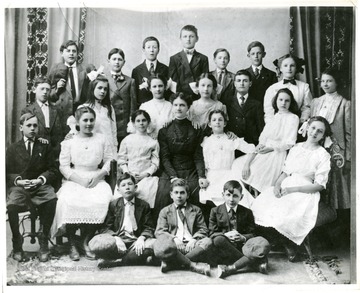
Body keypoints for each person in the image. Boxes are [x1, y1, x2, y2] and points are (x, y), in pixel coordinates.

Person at [250, 116, 332, 260]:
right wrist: (277, 185)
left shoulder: (322, 154)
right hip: (286, 184)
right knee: (262, 205)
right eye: (313, 128)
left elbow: (319, 185)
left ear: (323, 135)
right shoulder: (296, 148)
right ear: (307, 127)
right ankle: (279, 241)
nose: (314, 133)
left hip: (305, 190)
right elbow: (285, 172)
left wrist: (293, 190)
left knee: (287, 212)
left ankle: (289, 244)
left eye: (319, 131)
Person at [51, 107, 113, 261]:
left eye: (91, 119)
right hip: (75, 179)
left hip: (96, 178)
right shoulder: (69, 142)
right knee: (68, 200)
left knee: (102, 200)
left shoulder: (101, 139)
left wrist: (99, 175)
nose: (89, 123)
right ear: (77, 122)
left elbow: (109, 161)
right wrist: (80, 180)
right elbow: (63, 166)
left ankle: (85, 241)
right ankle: (72, 243)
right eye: (85, 120)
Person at [6, 113, 58, 262]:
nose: (33, 128)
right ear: (21, 127)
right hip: (20, 187)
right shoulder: (13, 148)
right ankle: (17, 243)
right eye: (29, 125)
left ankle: (43, 239)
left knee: (52, 198)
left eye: (35, 125)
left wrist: (40, 180)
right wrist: (18, 181)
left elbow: (53, 169)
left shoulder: (44, 145)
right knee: (12, 205)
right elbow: (6, 172)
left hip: (39, 186)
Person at [232, 88, 300, 194]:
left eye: (287, 101)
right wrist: (260, 146)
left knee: (258, 177)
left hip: (276, 153)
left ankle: (256, 196)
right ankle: (248, 196)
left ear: (291, 103)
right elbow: (263, 137)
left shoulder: (293, 118)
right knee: (238, 165)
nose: (283, 103)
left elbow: (290, 142)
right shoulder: (273, 117)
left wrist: (271, 148)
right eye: (280, 99)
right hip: (263, 150)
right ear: (275, 101)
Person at [153, 93, 209, 220]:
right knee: (164, 192)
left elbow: (198, 156)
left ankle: (193, 226)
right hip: (170, 170)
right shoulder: (164, 131)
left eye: (182, 105)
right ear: (172, 107)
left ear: (188, 108)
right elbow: (165, 157)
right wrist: (173, 176)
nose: (179, 108)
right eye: (176, 105)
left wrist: (201, 175)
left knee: (195, 190)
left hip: (190, 169)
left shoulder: (196, 129)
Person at [88, 173, 157, 268]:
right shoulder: (114, 205)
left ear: (135, 187)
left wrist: (141, 238)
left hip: (135, 241)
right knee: (97, 243)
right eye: (123, 185)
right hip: (118, 240)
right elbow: (106, 228)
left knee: (155, 244)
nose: (127, 187)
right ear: (119, 190)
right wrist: (116, 238)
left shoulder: (143, 205)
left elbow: (149, 227)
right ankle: (134, 258)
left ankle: (117, 261)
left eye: (130, 184)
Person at [209, 180, 270, 278]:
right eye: (228, 195)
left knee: (263, 242)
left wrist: (243, 237)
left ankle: (233, 267)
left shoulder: (247, 212)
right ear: (223, 195)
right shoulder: (215, 211)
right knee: (218, 239)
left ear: (241, 197)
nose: (231, 199)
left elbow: (253, 233)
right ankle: (254, 263)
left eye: (235, 196)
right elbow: (212, 233)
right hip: (225, 247)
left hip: (243, 247)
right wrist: (225, 235)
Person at [310, 68, 351, 210]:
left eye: (329, 81)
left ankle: (335, 216)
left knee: (334, 183)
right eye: (323, 81)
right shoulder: (315, 102)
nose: (325, 84)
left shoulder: (345, 103)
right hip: (317, 146)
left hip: (335, 149)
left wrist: (349, 155)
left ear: (336, 82)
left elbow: (349, 133)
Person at [153, 179, 212, 276]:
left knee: (208, 241)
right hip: (174, 245)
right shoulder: (165, 211)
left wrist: (193, 239)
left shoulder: (196, 210)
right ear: (171, 195)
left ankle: (173, 263)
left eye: (182, 193)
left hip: (192, 246)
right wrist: (174, 239)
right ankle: (191, 264)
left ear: (187, 195)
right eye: (176, 192)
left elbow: (203, 229)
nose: (179, 196)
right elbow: (160, 232)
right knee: (160, 245)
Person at [199, 110, 255, 208]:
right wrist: (203, 177)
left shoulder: (231, 139)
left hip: (229, 175)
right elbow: (202, 161)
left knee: (238, 201)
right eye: (214, 120)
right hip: (211, 176)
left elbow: (252, 149)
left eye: (220, 120)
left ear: (224, 123)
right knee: (214, 202)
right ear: (209, 124)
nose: (217, 122)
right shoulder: (206, 141)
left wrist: (246, 165)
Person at [118, 110, 160, 208]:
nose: (141, 123)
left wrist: (145, 175)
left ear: (148, 122)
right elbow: (122, 160)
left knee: (146, 193)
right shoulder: (127, 140)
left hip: (145, 177)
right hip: (129, 175)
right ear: (133, 123)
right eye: (138, 121)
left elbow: (155, 163)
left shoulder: (153, 142)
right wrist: (128, 173)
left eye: (144, 120)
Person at [48, 40, 96, 121]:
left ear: (77, 54)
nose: (71, 53)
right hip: (62, 112)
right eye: (68, 51)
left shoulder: (86, 69)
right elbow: (49, 95)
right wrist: (57, 89)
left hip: (81, 111)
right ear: (62, 53)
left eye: (74, 51)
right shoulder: (55, 70)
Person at [21, 76, 66, 159]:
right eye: (42, 89)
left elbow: (62, 133)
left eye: (47, 89)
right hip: (36, 155)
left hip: (56, 155)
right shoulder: (27, 111)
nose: (45, 92)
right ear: (34, 89)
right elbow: (27, 134)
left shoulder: (57, 110)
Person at [222, 69, 264, 155]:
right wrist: (228, 131)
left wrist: (260, 143)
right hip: (233, 143)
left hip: (251, 144)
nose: (242, 83)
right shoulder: (227, 102)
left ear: (250, 83)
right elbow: (223, 122)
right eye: (239, 80)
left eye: (245, 81)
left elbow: (260, 127)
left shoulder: (257, 104)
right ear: (234, 83)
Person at [264, 54, 313, 124]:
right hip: (277, 125)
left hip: (297, 124)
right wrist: (273, 125)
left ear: (296, 68)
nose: (289, 68)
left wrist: (300, 122)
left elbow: (307, 108)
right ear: (280, 68)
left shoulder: (304, 87)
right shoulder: (272, 88)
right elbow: (268, 111)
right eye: (285, 66)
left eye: (292, 65)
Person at [103, 48, 137, 145]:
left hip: (123, 125)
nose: (117, 62)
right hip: (108, 122)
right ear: (108, 61)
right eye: (114, 59)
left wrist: (131, 123)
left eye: (120, 59)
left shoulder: (130, 81)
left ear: (124, 62)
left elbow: (133, 106)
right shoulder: (103, 78)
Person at [79, 75, 118, 158]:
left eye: (105, 89)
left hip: (109, 147)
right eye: (99, 88)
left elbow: (113, 130)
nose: (102, 91)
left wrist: (115, 149)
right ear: (92, 88)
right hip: (93, 148)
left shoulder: (108, 108)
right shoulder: (84, 107)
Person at [169, 25, 209, 100]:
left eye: (191, 36)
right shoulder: (174, 59)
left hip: (198, 97)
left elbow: (204, 80)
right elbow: (174, 82)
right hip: (180, 97)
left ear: (197, 39)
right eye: (185, 36)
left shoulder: (203, 58)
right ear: (180, 39)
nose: (188, 39)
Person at [131, 36, 170, 106]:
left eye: (154, 47)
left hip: (161, 107)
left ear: (158, 50)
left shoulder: (166, 69)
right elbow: (134, 95)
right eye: (148, 47)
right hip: (143, 109)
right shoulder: (136, 71)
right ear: (143, 50)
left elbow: (168, 92)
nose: (151, 50)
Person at [245, 41, 278, 106]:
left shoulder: (271, 75)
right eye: (253, 54)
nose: (256, 56)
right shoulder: (244, 74)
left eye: (259, 53)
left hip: (265, 108)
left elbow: (274, 96)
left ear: (264, 54)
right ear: (248, 56)